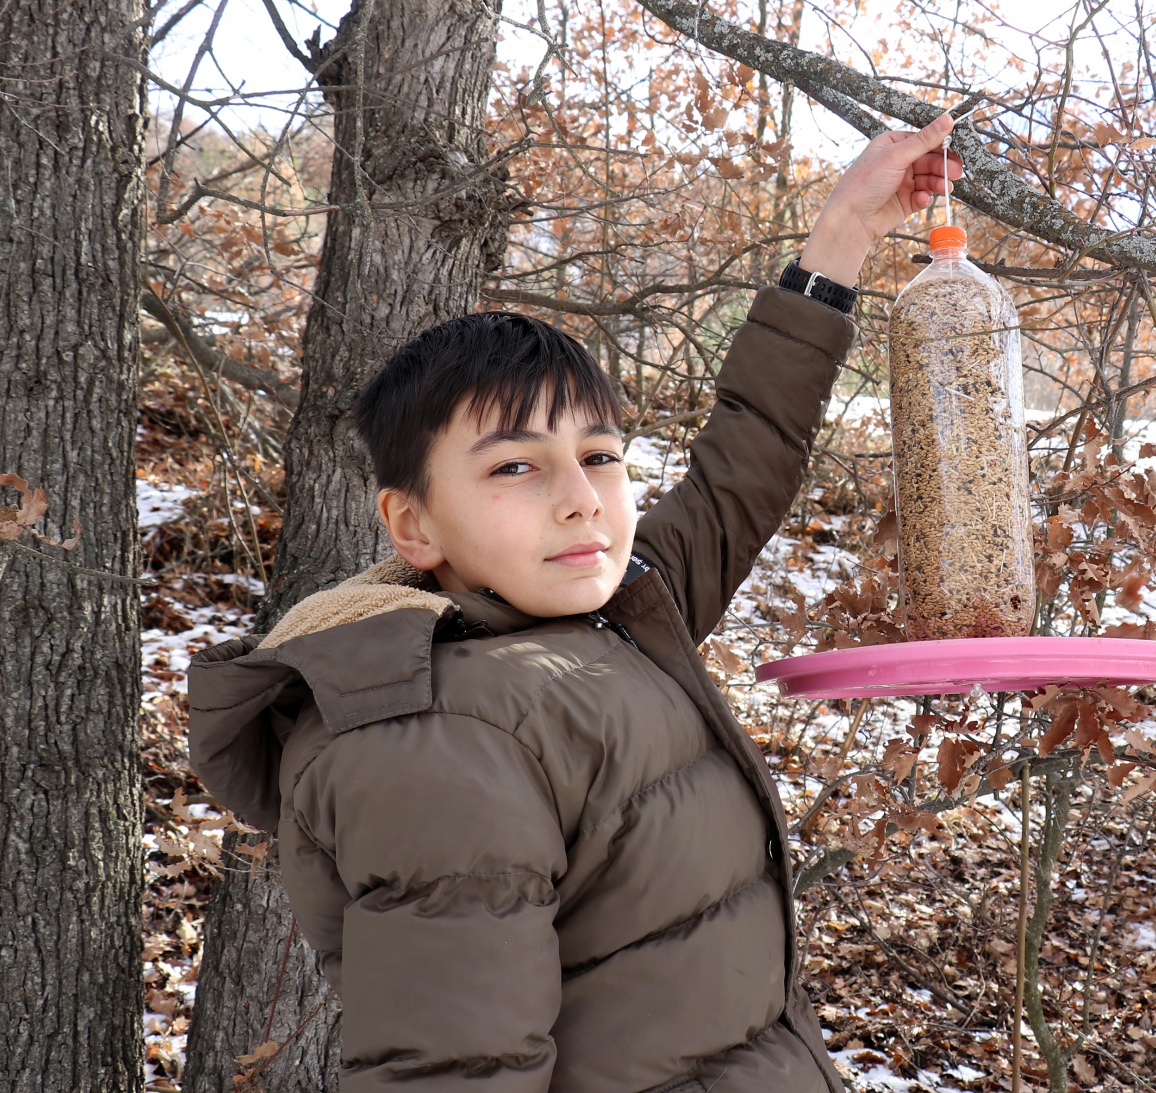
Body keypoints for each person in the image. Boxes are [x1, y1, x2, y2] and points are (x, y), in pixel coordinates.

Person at [187, 112, 963, 1092]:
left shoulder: (612, 611)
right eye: (514, 466)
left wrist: (842, 233)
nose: (577, 496)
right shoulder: (432, 742)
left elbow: (742, 463)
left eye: (598, 456)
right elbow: (450, 1071)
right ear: (414, 526)